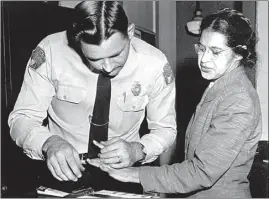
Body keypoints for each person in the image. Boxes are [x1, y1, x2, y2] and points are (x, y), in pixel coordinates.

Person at [88, 8, 262, 198]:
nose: (204, 59)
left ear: (239, 54)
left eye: (215, 52)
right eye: (201, 48)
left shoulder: (238, 100)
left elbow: (201, 172)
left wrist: (134, 174)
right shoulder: (220, 86)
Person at [8, 1, 176, 193]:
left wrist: (137, 150)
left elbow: (165, 129)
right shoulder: (51, 51)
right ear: (76, 42)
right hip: (61, 172)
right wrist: (49, 143)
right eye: (94, 59)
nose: (108, 67)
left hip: (125, 174)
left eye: (117, 54)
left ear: (130, 33)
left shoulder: (154, 64)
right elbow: (21, 118)